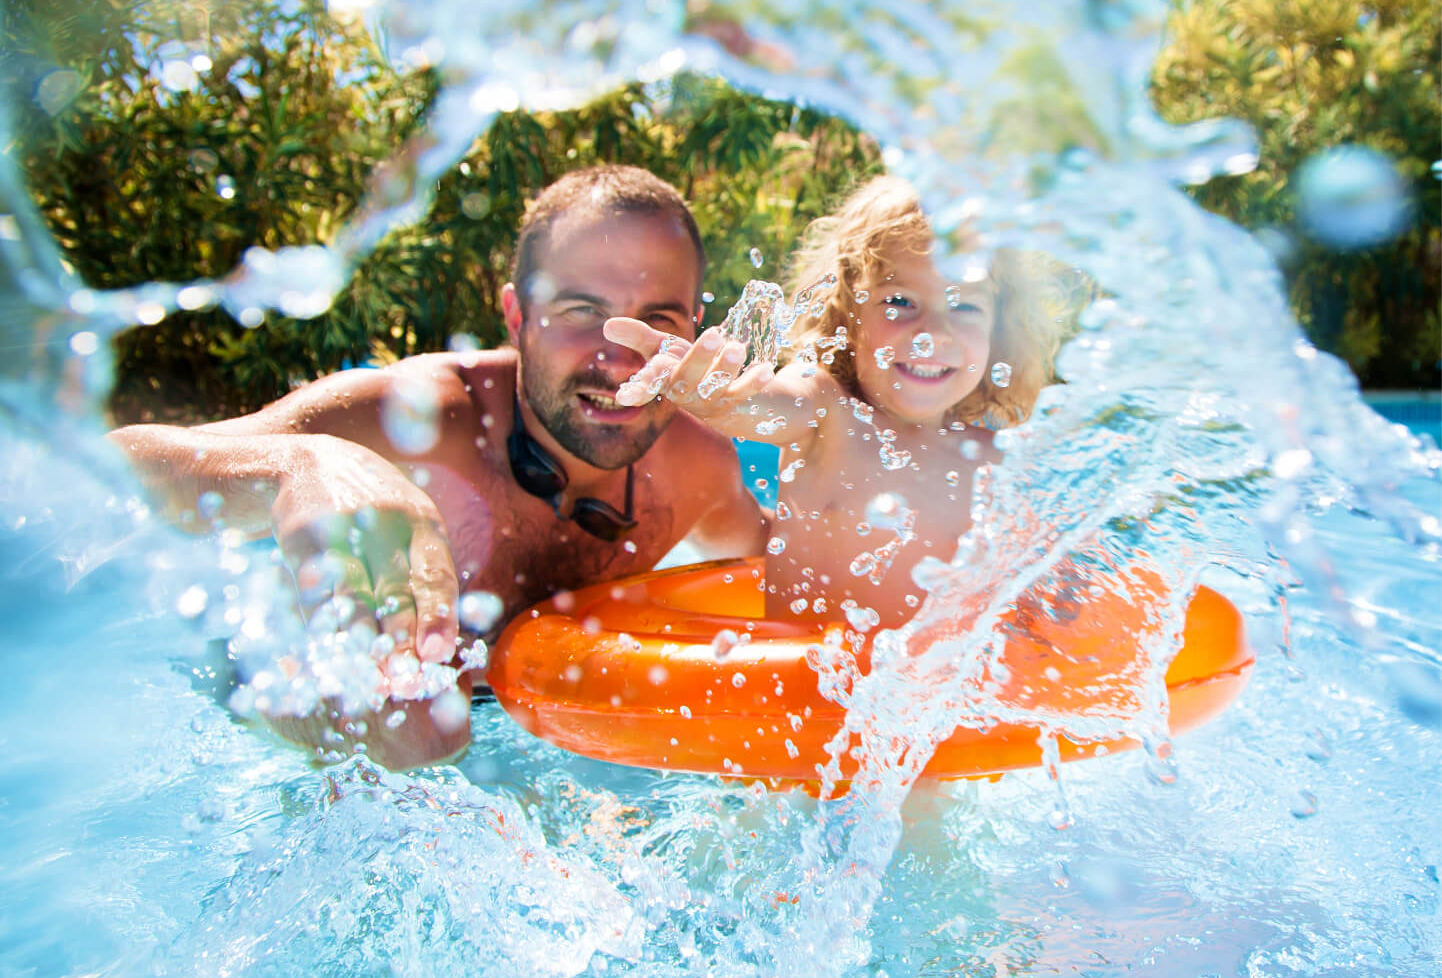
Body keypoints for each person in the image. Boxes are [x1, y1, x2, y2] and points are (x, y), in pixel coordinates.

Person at [111, 165, 767, 766]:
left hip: (532, 753)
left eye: (657, 320)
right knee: (415, 730)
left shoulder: (699, 466)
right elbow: (115, 468)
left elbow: (789, 567)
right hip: (265, 733)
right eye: (582, 312)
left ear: (695, 328)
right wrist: (299, 465)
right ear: (517, 316)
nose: (620, 361)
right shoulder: (413, 420)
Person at [605, 174, 1061, 630]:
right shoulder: (827, 409)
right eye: (900, 301)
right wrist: (719, 397)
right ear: (848, 312)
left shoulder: (996, 462)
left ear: (999, 331)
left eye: (964, 307)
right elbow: (768, 404)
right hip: (803, 671)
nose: (932, 333)